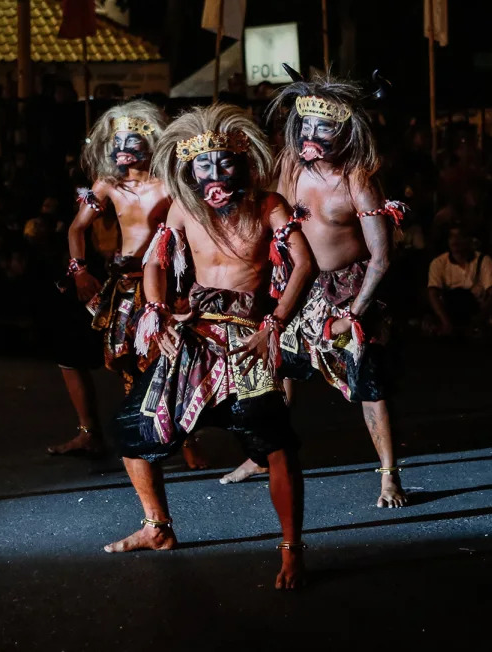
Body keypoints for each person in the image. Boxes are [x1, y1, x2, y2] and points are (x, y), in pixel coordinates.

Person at [103, 103, 313, 590]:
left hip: (246, 341)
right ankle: (158, 527)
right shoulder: (183, 207)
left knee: (277, 447)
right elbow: (155, 262)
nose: (215, 174)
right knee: (134, 429)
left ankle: (291, 550)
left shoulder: (268, 205)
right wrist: (156, 313)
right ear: (189, 169)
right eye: (204, 165)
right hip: (193, 336)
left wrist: (274, 323)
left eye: (223, 164)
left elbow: (303, 264)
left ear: (242, 163)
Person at [219, 75, 410, 508]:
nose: (310, 136)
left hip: (349, 290)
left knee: (370, 387)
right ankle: (261, 456)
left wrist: (355, 314)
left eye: (322, 128)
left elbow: (381, 258)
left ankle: (388, 477)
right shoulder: (288, 164)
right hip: (297, 284)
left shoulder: (357, 180)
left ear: (345, 131)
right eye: (304, 126)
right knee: (274, 371)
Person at [49, 100, 205, 468]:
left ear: (149, 144)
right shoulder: (107, 184)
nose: (121, 150)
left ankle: (185, 438)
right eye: (116, 142)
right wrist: (80, 271)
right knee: (124, 360)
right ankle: (119, 433)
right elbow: (77, 228)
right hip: (120, 285)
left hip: (164, 281)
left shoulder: (169, 183)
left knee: (168, 355)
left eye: (130, 142)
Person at [426, 225, 492, 336]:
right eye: (451, 236)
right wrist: (445, 322)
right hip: (449, 313)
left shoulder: (483, 261)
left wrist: (479, 318)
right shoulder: (439, 263)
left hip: (475, 313)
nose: (455, 240)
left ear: (470, 240)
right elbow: (433, 294)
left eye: (460, 236)